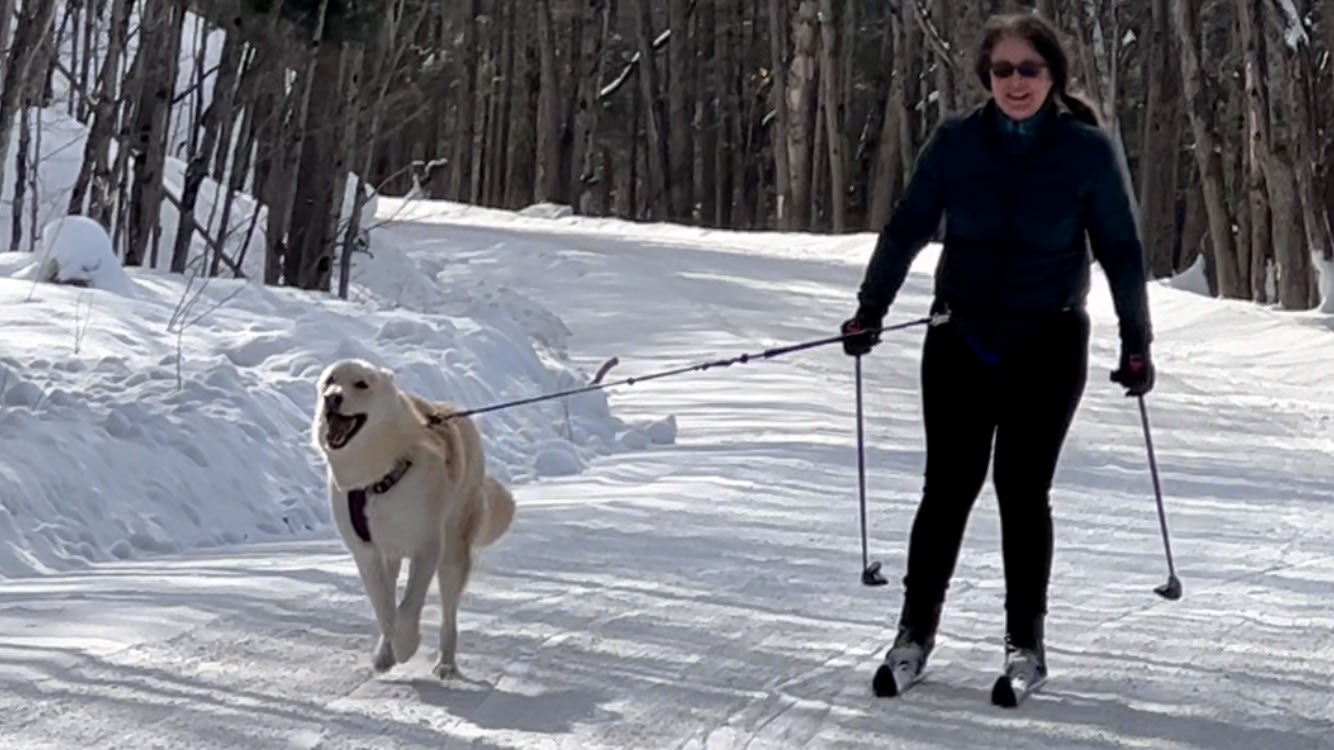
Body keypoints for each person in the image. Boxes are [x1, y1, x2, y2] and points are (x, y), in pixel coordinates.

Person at [839, 12, 1155, 703]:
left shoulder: (1086, 151)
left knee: (1021, 488)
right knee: (947, 487)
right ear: (987, 75)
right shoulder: (956, 142)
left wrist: (1137, 341)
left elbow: (1121, 251)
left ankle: (1026, 644)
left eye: (1029, 70)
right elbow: (907, 228)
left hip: (1048, 341)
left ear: (1053, 76)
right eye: (1003, 70)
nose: (1015, 82)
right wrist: (871, 309)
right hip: (961, 338)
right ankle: (913, 634)